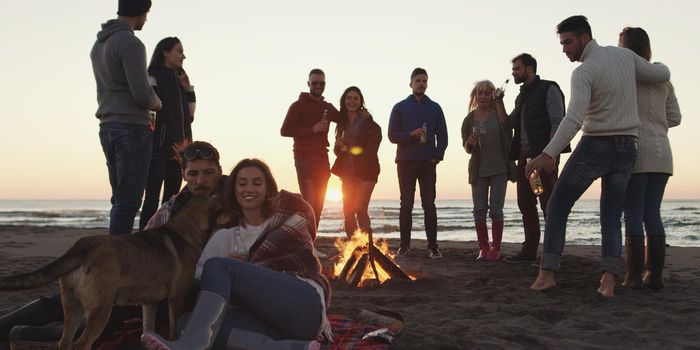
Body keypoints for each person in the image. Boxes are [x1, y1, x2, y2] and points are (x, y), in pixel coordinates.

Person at [0, 141, 226, 342]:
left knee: (107, 317)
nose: (201, 181)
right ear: (184, 175)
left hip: (199, 290)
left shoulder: (231, 206)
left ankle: (28, 334)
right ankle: (13, 329)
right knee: (60, 302)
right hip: (144, 283)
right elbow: (143, 242)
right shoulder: (171, 208)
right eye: (193, 174)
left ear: (219, 172)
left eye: (208, 173)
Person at [527, 15, 671, 298]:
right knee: (611, 215)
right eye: (562, 43)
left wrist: (547, 154)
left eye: (568, 42)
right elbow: (661, 75)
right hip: (628, 147)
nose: (565, 49)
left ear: (584, 38)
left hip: (596, 145)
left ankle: (547, 275)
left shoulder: (583, 72)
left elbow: (573, 119)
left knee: (557, 206)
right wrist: (661, 64)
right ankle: (608, 281)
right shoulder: (624, 56)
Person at [142, 158, 330, 350]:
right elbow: (197, 274)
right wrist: (233, 276)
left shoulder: (287, 219)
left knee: (219, 266)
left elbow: (304, 260)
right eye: (242, 184)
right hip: (266, 318)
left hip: (303, 305)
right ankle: (292, 347)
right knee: (186, 323)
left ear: (268, 189)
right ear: (233, 191)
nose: (249, 189)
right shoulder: (226, 235)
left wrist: (240, 271)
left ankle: (193, 346)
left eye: (257, 183)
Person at [91, 0, 162, 235]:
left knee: (119, 198)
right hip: (131, 127)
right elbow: (142, 94)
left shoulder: (99, 44)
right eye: (147, 13)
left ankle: (115, 248)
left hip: (107, 125)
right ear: (140, 12)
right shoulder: (131, 44)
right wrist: (158, 102)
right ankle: (119, 255)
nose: (146, 19)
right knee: (129, 200)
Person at [619, 27, 682, 290]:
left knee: (633, 212)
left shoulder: (627, 77)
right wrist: (656, 123)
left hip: (637, 151)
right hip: (663, 153)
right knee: (652, 213)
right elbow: (675, 118)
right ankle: (654, 276)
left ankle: (633, 276)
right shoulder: (663, 81)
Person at [502, 54, 568, 264]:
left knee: (547, 204)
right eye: (513, 70)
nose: (514, 73)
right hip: (525, 159)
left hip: (542, 158)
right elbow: (509, 123)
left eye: (517, 69)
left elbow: (558, 122)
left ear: (529, 69)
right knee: (526, 203)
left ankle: (551, 252)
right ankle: (529, 251)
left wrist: (552, 154)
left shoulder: (549, 88)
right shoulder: (522, 96)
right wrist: (498, 103)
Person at [388, 67, 448, 259]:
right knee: (406, 204)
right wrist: (410, 135)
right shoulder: (399, 107)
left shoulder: (435, 107)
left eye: (424, 81)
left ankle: (433, 247)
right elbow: (392, 136)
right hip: (405, 162)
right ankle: (404, 246)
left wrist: (437, 156)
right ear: (411, 83)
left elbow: (443, 136)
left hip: (427, 163)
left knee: (429, 204)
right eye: (418, 81)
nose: (421, 84)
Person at [139, 37, 197, 230]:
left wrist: (188, 89)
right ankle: (145, 237)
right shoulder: (152, 75)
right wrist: (154, 137)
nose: (183, 56)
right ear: (165, 52)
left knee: (173, 200)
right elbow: (149, 108)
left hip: (180, 152)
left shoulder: (180, 78)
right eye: (179, 51)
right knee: (152, 198)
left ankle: (168, 238)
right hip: (157, 149)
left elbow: (190, 115)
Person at [281, 69, 340, 228]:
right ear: (308, 84)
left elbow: (344, 119)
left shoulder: (327, 107)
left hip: (322, 158)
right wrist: (312, 129)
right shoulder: (297, 106)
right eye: (315, 83)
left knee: (319, 204)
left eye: (322, 83)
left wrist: (362, 114)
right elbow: (284, 130)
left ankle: (311, 242)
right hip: (304, 158)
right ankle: (306, 242)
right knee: (309, 202)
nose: (318, 86)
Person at [461, 81, 510, 261]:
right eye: (480, 93)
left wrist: (499, 102)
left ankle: (496, 248)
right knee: (479, 210)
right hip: (478, 170)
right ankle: (483, 247)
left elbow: (507, 125)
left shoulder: (497, 115)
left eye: (487, 93)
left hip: (499, 169)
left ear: (492, 96)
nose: (483, 97)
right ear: (475, 96)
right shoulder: (469, 119)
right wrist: (470, 143)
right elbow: (465, 146)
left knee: (496, 210)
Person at [330, 86, 382, 238]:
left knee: (360, 208)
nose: (352, 101)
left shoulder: (367, 122)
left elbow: (374, 144)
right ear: (344, 101)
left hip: (366, 171)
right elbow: (338, 150)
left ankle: (367, 246)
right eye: (349, 98)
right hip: (347, 172)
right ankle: (354, 247)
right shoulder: (342, 123)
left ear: (360, 102)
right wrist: (338, 148)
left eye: (355, 98)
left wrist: (351, 152)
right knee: (348, 212)